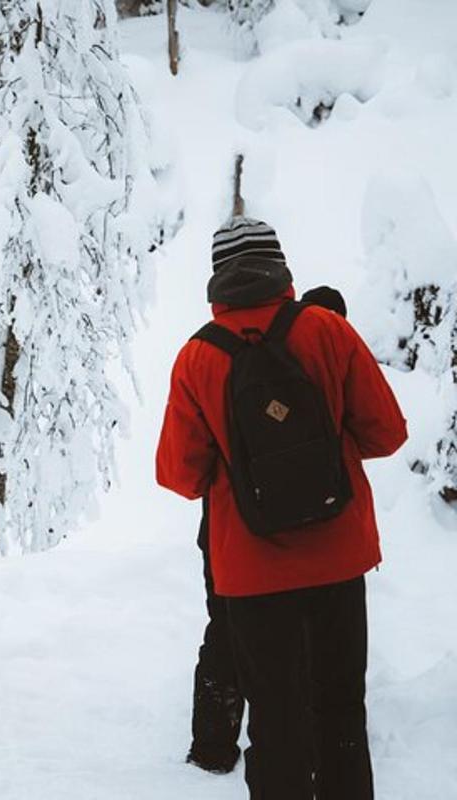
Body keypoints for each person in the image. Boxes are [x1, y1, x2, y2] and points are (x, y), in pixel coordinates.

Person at [157, 217, 407, 800]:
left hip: (250, 573)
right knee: (340, 709)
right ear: (279, 266)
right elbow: (387, 433)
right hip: (339, 558)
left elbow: (179, 476)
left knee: (274, 723)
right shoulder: (326, 331)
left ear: (218, 278)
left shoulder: (197, 357)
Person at [186, 284, 350, 776]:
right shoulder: (323, 362)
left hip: (229, 528)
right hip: (317, 534)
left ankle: (213, 745)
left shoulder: (226, 354)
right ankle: (309, 740)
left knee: (226, 628)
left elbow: (182, 468)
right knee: (310, 643)